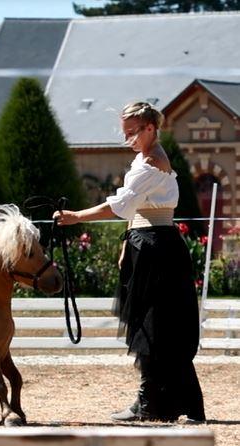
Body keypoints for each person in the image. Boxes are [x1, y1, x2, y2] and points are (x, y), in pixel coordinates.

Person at [53, 101, 205, 423]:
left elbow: (120, 206)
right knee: (157, 327)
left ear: (151, 128)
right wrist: (127, 239)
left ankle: (152, 404)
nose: (129, 140)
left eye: (134, 133)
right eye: (126, 135)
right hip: (151, 243)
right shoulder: (146, 159)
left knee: (151, 327)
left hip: (153, 247)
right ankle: (162, 402)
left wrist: (76, 217)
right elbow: (135, 209)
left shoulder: (149, 164)